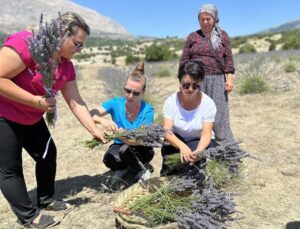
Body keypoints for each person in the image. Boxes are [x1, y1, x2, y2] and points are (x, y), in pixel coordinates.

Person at [0, 12, 107, 228]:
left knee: (48, 154)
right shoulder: (27, 44)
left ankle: (46, 199)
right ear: (60, 34)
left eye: (82, 46)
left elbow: (75, 101)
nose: (79, 50)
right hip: (4, 114)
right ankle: (29, 216)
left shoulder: (65, 64)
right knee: (10, 169)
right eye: (77, 44)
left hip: (30, 116)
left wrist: (93, 129)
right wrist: (35, 102)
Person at [90, 62, 155, 185]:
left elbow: (140, 139)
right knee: (109, 159)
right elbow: (89, 114)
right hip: (120, 144)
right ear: (124, 87)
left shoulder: (148, 110)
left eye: (136, 93)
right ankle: (124, 168)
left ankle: (144, 168)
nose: (130, 96)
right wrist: (102, 120)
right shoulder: (116, 103)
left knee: (125, 150)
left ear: (143, 92)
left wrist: (123, 135)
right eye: (127, 91)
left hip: (141, 148)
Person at [179, 3, 235, 143]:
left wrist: (230, 80)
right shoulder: (192, 37)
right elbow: (184, 60)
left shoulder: (222, 36)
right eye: (202, 19)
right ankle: (199, 151)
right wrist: (183, 82)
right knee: (197, 114)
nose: (205, 22)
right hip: (196, 81)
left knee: (220, 116)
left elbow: (228, 59)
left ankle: (230, 154)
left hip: (217, 80)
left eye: (208, 19)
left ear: (214, 19)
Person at [161, 61, 217, 175]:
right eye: (186, 85)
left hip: (199, 141)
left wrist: (199, 152)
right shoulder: (171, 102)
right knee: (168, 148)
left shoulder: (208, 103)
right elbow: (167, 132)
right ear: (179, 83)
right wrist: (182, 146)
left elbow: (206, 134)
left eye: (195, 86)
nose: (190, 89)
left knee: (193, 158)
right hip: (178, 141)